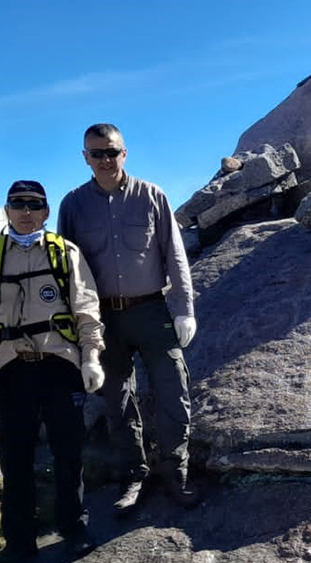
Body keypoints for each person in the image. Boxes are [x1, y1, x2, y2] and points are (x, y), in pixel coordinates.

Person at [0, 180, 105, 563]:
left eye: (34, 205)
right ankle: (19, 541)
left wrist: (91, 357)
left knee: (68, 452)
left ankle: (73, 529)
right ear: (7, 210)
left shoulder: (64, 252)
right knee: (15, 457)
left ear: (45, 212)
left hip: (60, 366)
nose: (26, 212)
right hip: (10, 369)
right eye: (18, 204)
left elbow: (86, 308)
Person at [58, 123, 198, 514]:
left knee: (173, 391)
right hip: (102, 317)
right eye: (97, 153)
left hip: (151, 310)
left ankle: (176, 473)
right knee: (116, 400)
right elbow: (66, 269)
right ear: (85, 157)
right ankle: (133, 477)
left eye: (112, 151)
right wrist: (74, 327)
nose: (105, 160)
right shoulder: (73, 205)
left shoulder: (152, 195)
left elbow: (175, 255)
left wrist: (184, 309)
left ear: (124, 153)